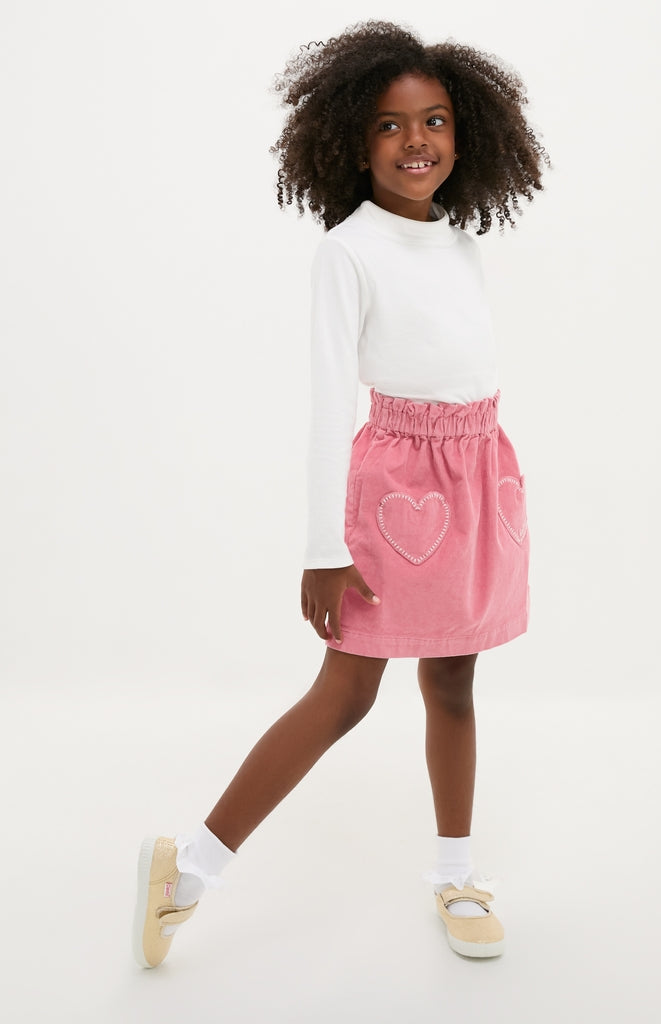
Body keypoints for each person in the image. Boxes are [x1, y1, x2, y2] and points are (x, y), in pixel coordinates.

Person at [132, 19, 548, 968]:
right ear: (352, 144)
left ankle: (455, 874)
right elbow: (330, 407)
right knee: (348, 692)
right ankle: (187, 871)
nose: (416, 143)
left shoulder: (460, 240)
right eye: (391, 126)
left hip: (480, 472)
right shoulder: (348, 251)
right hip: (399, 487)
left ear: (465, 132)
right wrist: (324, 544)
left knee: (454, 677)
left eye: (434, 121)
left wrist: (489, 476)